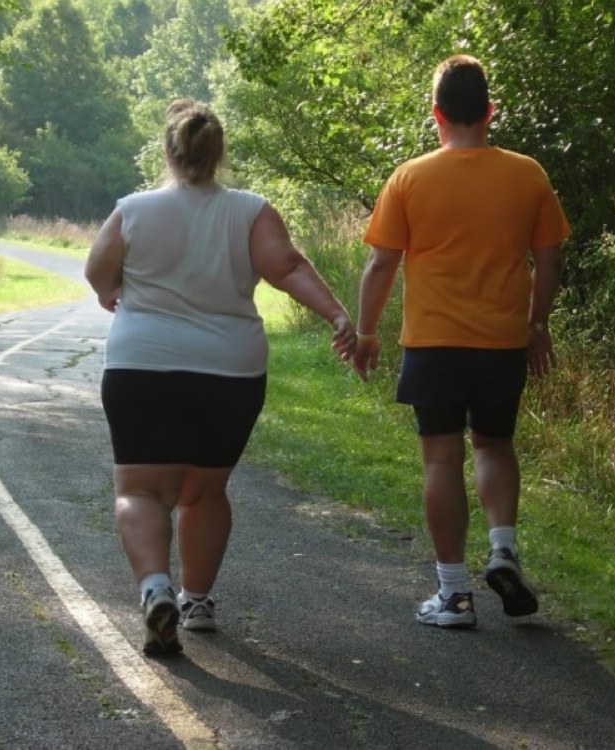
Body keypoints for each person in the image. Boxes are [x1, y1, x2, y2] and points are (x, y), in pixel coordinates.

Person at [85, 98, 357, 655]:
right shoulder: (250, 210)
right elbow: (287, 267)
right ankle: (197, 602)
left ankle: (156, 590)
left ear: (167, 151)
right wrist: (337, 316)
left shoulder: (133, 210)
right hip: (229, 372)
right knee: (205, 491)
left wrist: (111, 290)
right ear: (218, 153)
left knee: (140, 489)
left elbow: (97, 272)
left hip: (142, 366)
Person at [352, 55, 569, 628]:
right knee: (494, 444)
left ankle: (453, 596)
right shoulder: (528, 174)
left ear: (437, 115)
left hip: (434, 345)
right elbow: (549, 259)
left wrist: (366, 333)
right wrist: (537, 324)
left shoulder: (410, 177)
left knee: (441, 458)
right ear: (490, 111)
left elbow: (380, 265)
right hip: (502, 341)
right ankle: (503, 549)